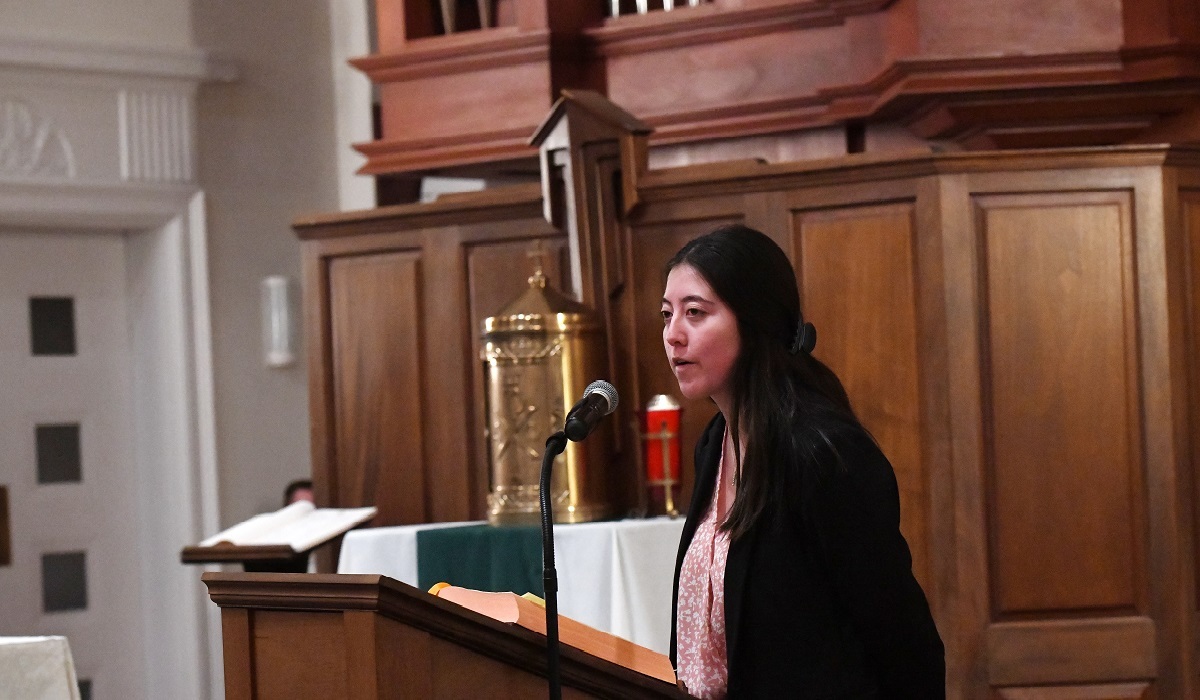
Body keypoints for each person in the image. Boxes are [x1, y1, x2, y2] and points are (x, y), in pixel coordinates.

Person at [661, 225, 944, 699]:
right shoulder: (715, 442)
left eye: (695, 313)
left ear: (754, 322)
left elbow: (901, 639)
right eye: (667, 315)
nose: (673, 335)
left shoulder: (823, 453)